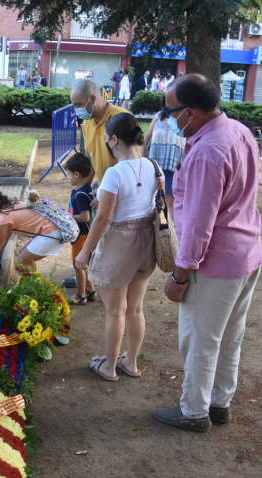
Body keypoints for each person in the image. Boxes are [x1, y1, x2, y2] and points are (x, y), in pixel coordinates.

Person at [152, 74, 262, 433]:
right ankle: (219, 403)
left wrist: (179, 276)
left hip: (216, 262)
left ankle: (194, 411)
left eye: (169, 112)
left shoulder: (207, 152)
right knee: (229, 336)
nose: (166, 119)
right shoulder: (239, 131)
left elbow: (199, 225)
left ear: (191, 112)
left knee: (200, 339)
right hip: (245, 255)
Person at [74, 112, 157, 382]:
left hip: (120, 245)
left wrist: (86, 251)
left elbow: (104, 218)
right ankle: (130, 363)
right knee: (135, 309)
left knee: (115, 311)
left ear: (114, 139)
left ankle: (109, 367)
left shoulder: (114, 172)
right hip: (146, 243)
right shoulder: (152, 165)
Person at [0, 185, 65, 278]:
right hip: (53, 230)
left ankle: (31, 287)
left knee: (20, 263)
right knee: (22, 253)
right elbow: (3, 242)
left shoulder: (3, 219)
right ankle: (32, 284)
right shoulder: (9, 207)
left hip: (51, 234)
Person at [70, 79, 129, 187]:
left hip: (122, 186)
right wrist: (84, 187)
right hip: (102, 184)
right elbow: (90, 158)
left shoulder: (122, 117)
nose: (76, 110)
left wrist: (108, 191)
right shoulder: (87, 122)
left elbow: (132, 160)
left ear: (92, 99)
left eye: (78, 105)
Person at [142, 109, 185, 222]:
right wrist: (143, 159)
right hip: (155, 167)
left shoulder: (184, 118)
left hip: (174, 167)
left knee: (168, 202)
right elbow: (146, 138)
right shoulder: (159, 116)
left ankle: (166, 230)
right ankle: (159, 228)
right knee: (153, 200)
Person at [65, 153, 97, 305]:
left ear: (76, 174)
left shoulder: (81, 194)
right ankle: (90, 290)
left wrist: (68, 216)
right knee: (82, 264)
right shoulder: (83, 188)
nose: (68, 177)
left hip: (81, 235)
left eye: (68, 174)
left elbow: (85, 217)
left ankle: (80, 295)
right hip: (81, 234)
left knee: (78, 265)